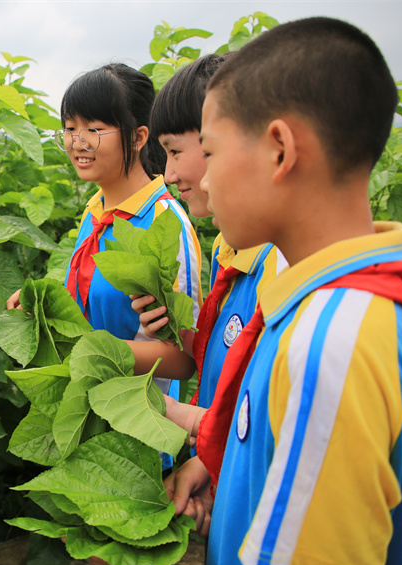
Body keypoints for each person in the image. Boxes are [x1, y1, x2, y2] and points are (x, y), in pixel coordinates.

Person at [164, 17, 402, 565]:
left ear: (280, 151)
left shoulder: (329, 343)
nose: (205, 181)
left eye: (210, 154)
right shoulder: (386, 302)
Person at [7, 63, 202, 390]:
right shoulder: (95, 211)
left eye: (94, 130)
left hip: (139, 418)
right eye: (70, 128)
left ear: (139, 137)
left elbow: (184, 359)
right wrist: (44, 309)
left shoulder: (165, 224)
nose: (77, 143)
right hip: (88, 403)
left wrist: (95, 351)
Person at [133, 54, 287, 463]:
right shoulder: (227, 248)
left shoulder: (283, 268)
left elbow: (272, 426)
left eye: (175, 151)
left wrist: (181, 416)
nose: (167, 174)